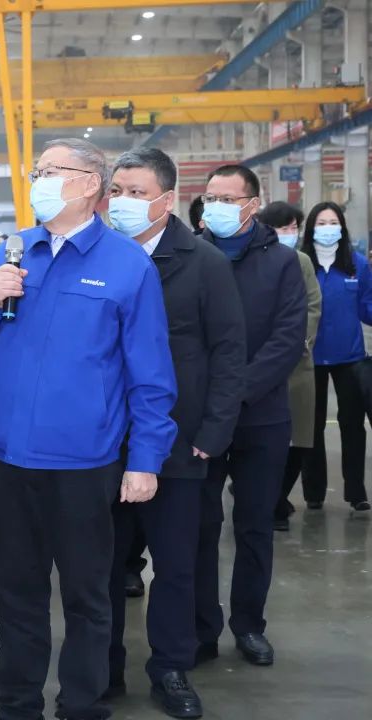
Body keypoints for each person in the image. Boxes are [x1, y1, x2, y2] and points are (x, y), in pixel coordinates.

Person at [0, 138, 178, 720]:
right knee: (17, 593)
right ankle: (17, 704)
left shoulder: (127, 265)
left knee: (87, 596)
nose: (39, 182)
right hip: (8, 459)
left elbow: (150, 374)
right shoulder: (9, 253)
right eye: (37, 172)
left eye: (51, 171)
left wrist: (145, 459)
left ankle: (82, 703)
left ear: (89, 184)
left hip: (84, 463)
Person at [106, 148, 246, 719]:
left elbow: (229, 353)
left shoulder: (203, 263)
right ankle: (103, 667)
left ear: (166, 199)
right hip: (104, 442)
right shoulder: (100, 255)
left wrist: (213, 433)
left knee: (176, 565)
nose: (122, 202)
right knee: (102, 565)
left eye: (136, 193)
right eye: (116, 190)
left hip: (180, 442)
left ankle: (170, 667)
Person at [195, 165, 307, 668]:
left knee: (254, 526)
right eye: (210, 197)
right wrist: (212, 399)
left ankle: (249, 625)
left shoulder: (283, 262)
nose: (216, 206)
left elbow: (288, 338)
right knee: (199, 526)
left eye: (227, 198)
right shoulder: (191, 256)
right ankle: (201, 626)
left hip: (262, 415)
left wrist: (235, 392)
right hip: (201, 419)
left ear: (252, 204)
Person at [299, 202, 372, 516]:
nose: (327, 228)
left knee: (353, 426)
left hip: (350, 358)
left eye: (333, 222)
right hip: (310, 357)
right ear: (311, 228)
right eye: (321, 222)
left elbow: (367, 307)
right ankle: (313, 492)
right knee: (311, 427)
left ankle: (356, 492)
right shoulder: (301, 264)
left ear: (342, 227)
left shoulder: (357, 265)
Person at [259, 203, 322, 532]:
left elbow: (313, 305)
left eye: (293, 227)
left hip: (297, 364)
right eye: (282, 227)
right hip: (259, 363)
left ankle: (278, 499)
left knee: (299, 438)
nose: (289, 233)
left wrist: (298, 342)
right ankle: (265, 500)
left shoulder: (302, 262)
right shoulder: (254, 260)